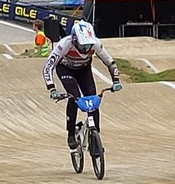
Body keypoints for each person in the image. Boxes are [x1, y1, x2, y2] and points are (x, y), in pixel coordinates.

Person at [43, 20, 122, 149]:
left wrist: (116, 80)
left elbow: (110, 62)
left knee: (93, 100)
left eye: (88, 45)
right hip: (66, 70)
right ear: (74, 40)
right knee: (74, 97)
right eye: (83, 45)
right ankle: (71, 133)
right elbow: (48, 66)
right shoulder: (64, 44)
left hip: (84, 70)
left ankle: (95, 136)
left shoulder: (96, 43)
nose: (86, 49)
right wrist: (52, 89)